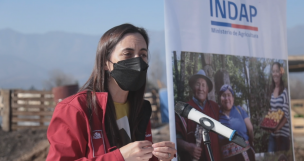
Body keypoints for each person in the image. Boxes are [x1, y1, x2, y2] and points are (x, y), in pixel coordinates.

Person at [46, 24, 176, 161]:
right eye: (128, 54)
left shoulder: (141, 109)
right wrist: (120, 157)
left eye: (143, 55)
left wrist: (156, 157)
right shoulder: (74, 109)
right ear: (105, 63)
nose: (137, 61)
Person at [175, 69, 221, 161]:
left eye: (204, 85)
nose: (201, 88)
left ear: (208, 89)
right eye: (197, 84)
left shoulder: (214, 107)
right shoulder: (184, 109)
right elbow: (175, 137)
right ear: (193, 87)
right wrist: (187, 146)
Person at [218, 84, 255, 161]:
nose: (226, 98)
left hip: (245, 156)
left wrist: (252, 145)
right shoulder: (216, 114)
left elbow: (250, 129)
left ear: (233, 98)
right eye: (224, 95)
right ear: (220, 99)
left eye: (229, 95)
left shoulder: (240, 110)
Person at [268, 62, 290, 152]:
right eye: (273, 71)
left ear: (281, 73)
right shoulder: (272, 91)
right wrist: (269, 115)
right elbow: (274, 111)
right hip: (273, 135)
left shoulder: (285, 92)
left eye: (277, 71)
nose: (275, 74)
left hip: (283, 135)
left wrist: (276, 128)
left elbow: (286, 117)